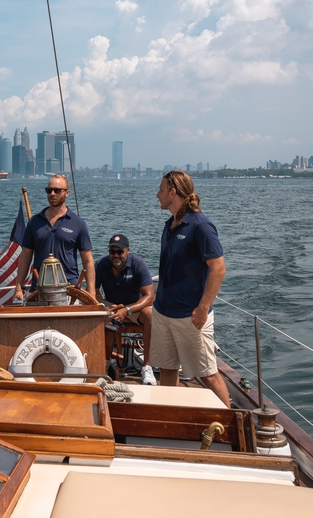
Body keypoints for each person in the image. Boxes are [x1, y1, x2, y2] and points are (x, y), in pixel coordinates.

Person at [151, 170, 230, 407]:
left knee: (207, 373)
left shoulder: (201, 226)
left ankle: (230, 425)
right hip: (163, 311)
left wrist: (203, 309)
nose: (157, 195)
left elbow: (218, 269)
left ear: (172, 193)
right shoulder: (170, 224)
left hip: (190, 315)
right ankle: (169, 419)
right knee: (166, 370)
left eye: (161, 190)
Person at [13, 175, 95, 300]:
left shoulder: (78, 224)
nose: (52, 194)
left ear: (67, 193)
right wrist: (18, 288)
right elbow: (25, 256)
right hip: (38, 290)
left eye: (57, 190)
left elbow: (88, 260)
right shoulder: (34, 222)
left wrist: (91, 293)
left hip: (69, 291)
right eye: (49, 190)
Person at [95, 234, 156, 385]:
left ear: (127, 250)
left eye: (119, 252)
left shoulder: (138, 264)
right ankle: (103, 362)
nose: (115, 255)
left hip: (133, 307)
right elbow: (93, 292)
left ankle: (147, 366)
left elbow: (149, 296)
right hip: (111, 306)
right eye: (112, 252)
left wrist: (127, 310)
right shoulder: (101, 264)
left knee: (150, 314)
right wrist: (104, 307)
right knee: (94, 312)